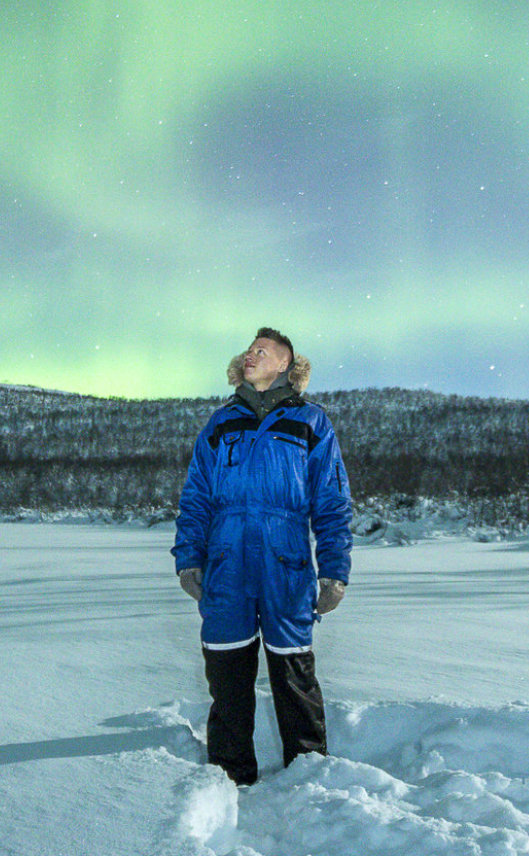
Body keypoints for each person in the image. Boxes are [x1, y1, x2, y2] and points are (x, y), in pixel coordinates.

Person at [172, 327, 352, 785]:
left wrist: (333, 570)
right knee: (227, 673)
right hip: (227, 561)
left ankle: (308, 773)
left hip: (285, 561)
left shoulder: (311, 422)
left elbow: (331, 500)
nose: (250, 356)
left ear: (285, 365)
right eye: (249, 350)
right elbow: (196, 497)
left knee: (294, 673)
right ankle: (229, 776)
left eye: (262, 351)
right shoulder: (221, 422)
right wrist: (189, 558)